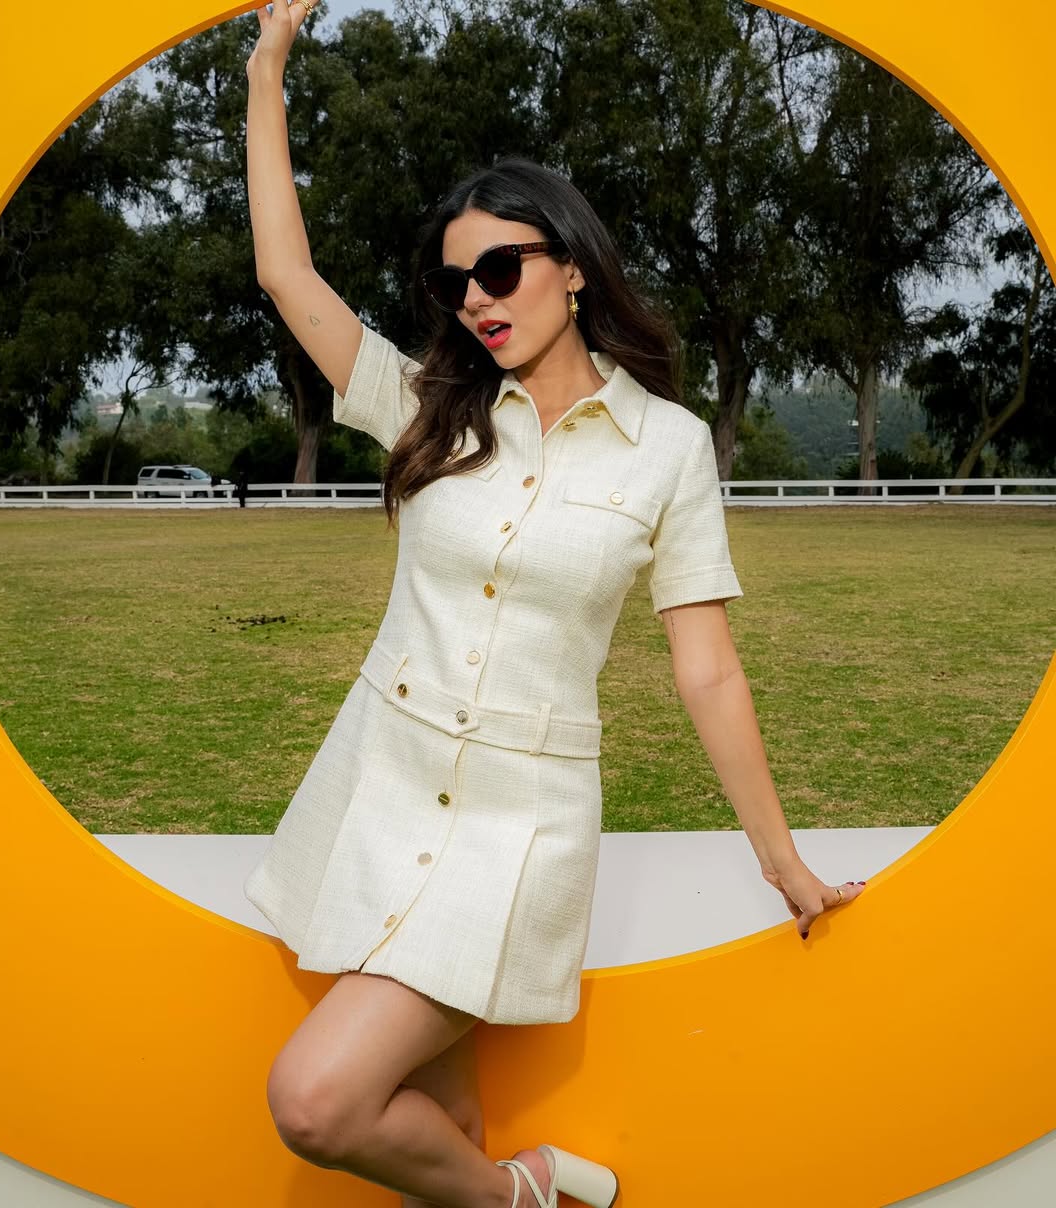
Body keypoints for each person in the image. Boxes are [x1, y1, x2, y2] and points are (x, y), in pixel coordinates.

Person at [241, 3, 866, 1206]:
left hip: (516, 832)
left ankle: (520, 1190)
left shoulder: (668, 447)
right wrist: (270, 65)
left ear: (572, 267)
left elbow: (707, 667)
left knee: (316, 1098)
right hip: (381, 786)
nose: (477, 297)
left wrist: (781, 858)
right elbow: (285, 272)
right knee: (440, 1117)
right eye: (455, 280)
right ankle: (508, 1183)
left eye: (502, 267)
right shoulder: (425, 403)